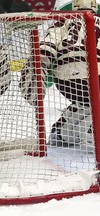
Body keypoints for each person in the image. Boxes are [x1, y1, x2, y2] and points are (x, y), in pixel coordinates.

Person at [20, 0, 99, 149]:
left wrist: (38, 71)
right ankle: (90, 132)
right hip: (95, 77)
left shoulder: (62, 22)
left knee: (85, 103)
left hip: (67, 80)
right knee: (92, 102)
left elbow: (45, 49)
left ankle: (61, 132)